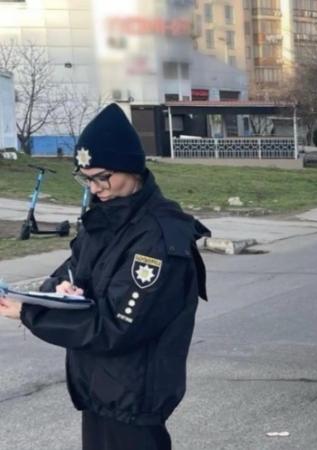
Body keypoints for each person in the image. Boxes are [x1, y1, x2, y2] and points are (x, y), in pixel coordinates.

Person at [0, 103, 210, 450]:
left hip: (133, 401)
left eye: (102, 177)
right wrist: (59, 287)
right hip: (99, 391)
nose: (95, 187)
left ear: (131, 168)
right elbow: (69, 270)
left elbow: (116, 327)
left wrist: (31, 313)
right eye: (86, 178)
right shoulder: (104, 219)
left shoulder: (158, 236)